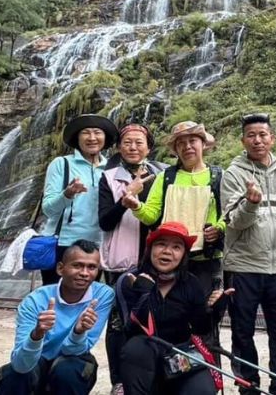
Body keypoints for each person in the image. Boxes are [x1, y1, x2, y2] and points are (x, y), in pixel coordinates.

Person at [121, 121, 226, 353]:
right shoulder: (166, 177)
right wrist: (135, 205)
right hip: (169, 261)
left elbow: (227, 215)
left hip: (205, 261)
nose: (187, 147)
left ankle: (206, 375)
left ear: (203, 145)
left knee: (206, 320)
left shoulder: (218, 176)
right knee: (163, 315)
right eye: (181, 143)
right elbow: (151, 216)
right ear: (175, 150)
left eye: (192, 141)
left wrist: (218, 228)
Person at [220, 113, 276, 395]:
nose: (257, 140)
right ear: (243, 140)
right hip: (243, 267)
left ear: (272, 139)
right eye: (251, 136)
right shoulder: (233, 174)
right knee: (242, 333)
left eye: (263, 135)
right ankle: (249, 387)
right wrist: (251, 204)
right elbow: (233, 221)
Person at [118, 221, 230, 395]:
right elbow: (129, 329)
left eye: (176, 247)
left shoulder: (191, 283)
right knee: (136, 349)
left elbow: (202, 328)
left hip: (179, 352)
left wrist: (216, 308)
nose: (167, 251)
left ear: (184, 254)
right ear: (150, 249)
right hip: (142, 356)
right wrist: (144, 295)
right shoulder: (130, 280)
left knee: (202, 390)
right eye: (161, 244)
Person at [97, 123, 167, 395]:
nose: (133, 147)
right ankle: (120, 380)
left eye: (140, 142)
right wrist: (126, 199)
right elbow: (104, 221)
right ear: (118, 147)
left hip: (154, 260)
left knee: (153, 318)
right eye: (128, 142)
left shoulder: (160, 174)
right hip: (119, 261)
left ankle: (151, 378)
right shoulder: (109, 177)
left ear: (149, 147)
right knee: (117, 324)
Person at [0, 240, 114, 395]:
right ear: (60, 268)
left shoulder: (103, 296)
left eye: (91, 267)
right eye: (77, 265)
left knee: (68, 371)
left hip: (73, 360)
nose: (85, 273)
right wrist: (36, 335)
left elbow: (78, 350)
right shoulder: (35, 300)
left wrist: (78, 333)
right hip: (36, 361)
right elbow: (21, 364)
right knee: (13, 375)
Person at [41, 114, 118, 285]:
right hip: (63, 243)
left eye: (97, 132)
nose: (92, 138)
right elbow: (47, 209)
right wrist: (67, 194)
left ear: (105, 138)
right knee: (55, 296)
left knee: (86, 298)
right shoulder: (61, 164)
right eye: (86, 133)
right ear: (77, 138)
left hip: (97, 245)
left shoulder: (112, 169)